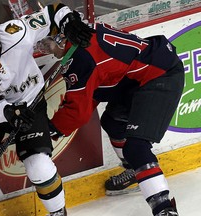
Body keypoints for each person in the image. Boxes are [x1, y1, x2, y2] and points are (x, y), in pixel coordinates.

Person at [0, 3, 93, 216]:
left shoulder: (16, 33)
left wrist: (69, 22)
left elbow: (53, 12)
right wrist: (9, 112)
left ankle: (58, 213)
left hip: (31, 104)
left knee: (39, 166)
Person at [40, 22, 184, 216]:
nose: (45, 49)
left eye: (48, 44)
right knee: (113, 121)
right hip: (137, 76)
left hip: (160, 75)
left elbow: (78, 111)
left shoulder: (79, 59)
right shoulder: (84, 33)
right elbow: (91, 92)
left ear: (62, 38)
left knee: (136, 147)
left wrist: (49, 129)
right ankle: (134, 170)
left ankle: (164, 209)